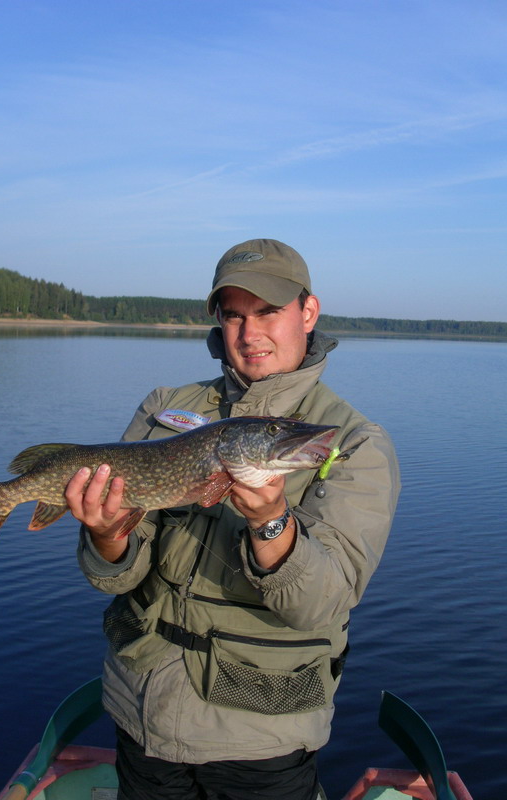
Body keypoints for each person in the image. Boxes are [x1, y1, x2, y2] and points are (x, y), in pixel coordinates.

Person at [66, 239, 401, 800]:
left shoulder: (353, 442)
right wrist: (104, 533)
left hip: (259, 736)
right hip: (141, 711)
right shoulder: (165, 407)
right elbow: (118, 576)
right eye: (234, 315)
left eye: (268, 311)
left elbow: (323, 603)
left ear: (308, 312)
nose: (249, 334)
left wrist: (272, 522)